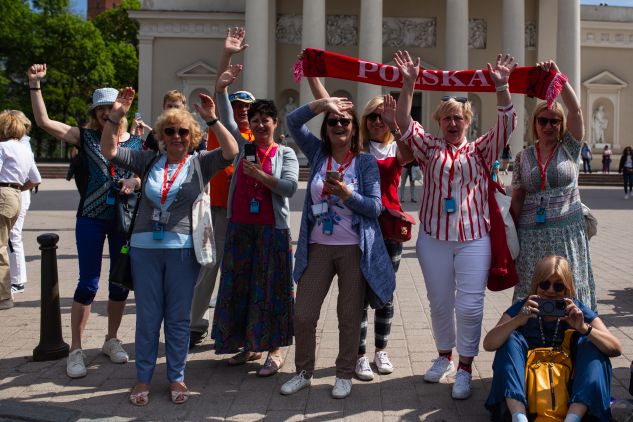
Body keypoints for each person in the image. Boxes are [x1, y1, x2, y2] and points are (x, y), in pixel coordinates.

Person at [100, 87, 238, 406]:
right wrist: (116, 115)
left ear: (191, 137)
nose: (177, 136)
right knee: (148, 317)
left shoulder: (200, 163)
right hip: (144, 249)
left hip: (183, 250)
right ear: (162, 135)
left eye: (183, 131)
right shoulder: (148, 161)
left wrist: (213, 120)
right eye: (171, 131)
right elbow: (109, 150)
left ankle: (176, 376)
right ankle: (143, 378)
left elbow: (231, 151)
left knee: (178, 318)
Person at [394, 50, 517, 399]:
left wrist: (502, 87)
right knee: (439, 301)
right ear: (438, 121)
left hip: (473, 238)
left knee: (470, 305)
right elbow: (403, 121)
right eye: (447, 118)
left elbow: (507, 124)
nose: (452, 123)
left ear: (467, 122)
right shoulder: (428, 147)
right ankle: (443, 356)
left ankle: (464, 366)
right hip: (433, 238)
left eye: (458, 118)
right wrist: (409, 82)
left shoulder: (480, 150)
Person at [28, 64, 143, 378]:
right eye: (103, 109)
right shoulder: (85, 136)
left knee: (120, 281)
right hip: (91, 218)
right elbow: (43, 121)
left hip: (123, 220)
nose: (108, 113)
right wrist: (35, 86)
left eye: (113, 107)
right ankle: (76, 348)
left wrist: (134, 182)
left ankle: (111, 339)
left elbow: (143, 173)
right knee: (88, 282)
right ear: (96, 113)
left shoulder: (135, 142)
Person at [280, 95, 395, 399]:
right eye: (333, 121)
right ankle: (304, 371)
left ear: (354, 129)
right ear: (326, 128)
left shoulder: (365, 162)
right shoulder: (318, 154)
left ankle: (344, 373)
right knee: (303, 314)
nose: (339, 125)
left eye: (345, 121)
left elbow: (374, 207)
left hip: (354, 249)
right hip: (318, 246)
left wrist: (347, 195)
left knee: (349, 316)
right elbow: (292, 121)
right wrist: (323, 104)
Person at [301, 71, 409, 381]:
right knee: (358, 297)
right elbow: (334, 113)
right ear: (362, 121)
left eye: (382, 116)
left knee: (385, 291)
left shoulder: (393, 150)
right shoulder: (358, 152)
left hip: (390, 228)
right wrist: (313, 79)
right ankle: (360, 355)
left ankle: (381, 349)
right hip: (361, 227)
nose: (377, 121)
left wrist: (396, 121)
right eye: (372, 116)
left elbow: (411, 154)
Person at [211, 63, 299, 377]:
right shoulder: (243, 146)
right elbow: (225, 118)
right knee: (243, 288)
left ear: (276, 124)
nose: (261, 125)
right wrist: (221, 89)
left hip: (271, 230)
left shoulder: (284, 154)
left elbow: (288, 187)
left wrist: (261, 176)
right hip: (240, 228)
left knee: (272, 289)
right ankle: (248, 345)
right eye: (256, 120)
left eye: (266, 121)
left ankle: (274, 351)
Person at [484, 255, 622, 422]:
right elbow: (489, 343)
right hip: (527, 387)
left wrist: (584, 328)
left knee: (592, 344)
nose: (550, 291)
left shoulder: (575, 309)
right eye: (544, 284)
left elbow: (615, 348)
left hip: (571, 388)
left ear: (567, 289)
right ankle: (519, 417)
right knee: (509, 339)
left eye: (558, 286)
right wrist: (517, 320)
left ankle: (573, 418)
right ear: (536, 285)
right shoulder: (525, 306)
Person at [511, 60, 597, 311]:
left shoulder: (569, 149)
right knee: (533, 288)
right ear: (535, 124)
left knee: (567, 287)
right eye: (543, 120)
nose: (549, 126)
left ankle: (573, 337)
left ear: (561, 125)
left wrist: (558, 77)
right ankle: (531, 337)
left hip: (566, 233)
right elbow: (517, 198)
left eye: (554, 121)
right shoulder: (523, 157)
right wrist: (510, 236)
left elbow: (576, 110)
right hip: (531, 236)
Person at [189, 26, 254, 349]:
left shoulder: (255, 139)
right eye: (239, 107)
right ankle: (193, 323)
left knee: (237, 269)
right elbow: (218, 99)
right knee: (209, 265)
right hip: (217, 208)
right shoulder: (221, 132)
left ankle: (229, 327)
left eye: (248, 109)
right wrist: (226, 56)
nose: (243, 112)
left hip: (245, 213)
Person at [0, 111, 41, 310]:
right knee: (6, 242)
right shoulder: (25, 149)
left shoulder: (2, 147)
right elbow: (35, 178)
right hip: (15, 196)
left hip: (3, 193)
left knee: (1, 247)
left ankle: (4, 296)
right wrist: (17, 188)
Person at [134, 90, 207, 153]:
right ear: (164, 107)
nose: (173, 110)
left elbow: (204, 160)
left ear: (183, 108)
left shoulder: (194, 132)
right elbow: (146, 160)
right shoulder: (155, 133)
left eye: (176, 107)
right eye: (170, 106)